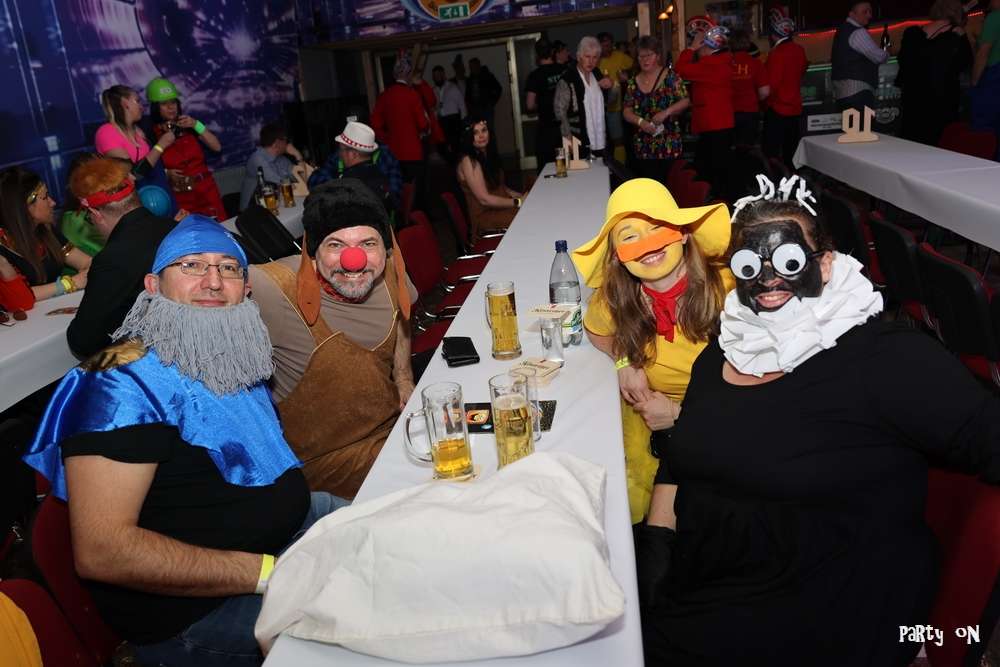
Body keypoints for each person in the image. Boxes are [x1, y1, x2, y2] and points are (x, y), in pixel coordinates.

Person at [637, 173, 1000, 666]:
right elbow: (680, 457)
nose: (768, 281)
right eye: (750, 265)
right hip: (706, 577)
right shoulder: (727, 348)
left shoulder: (886, 359)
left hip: (824, 601)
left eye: (788, 261)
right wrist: (656, 547)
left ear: (825, 265)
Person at [23, 214, 346, 666]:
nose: (213, 281)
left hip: (285, 539)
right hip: (199, 613)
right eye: (191, 265)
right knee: (371, 615)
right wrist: (269, 573)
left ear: (246, 289)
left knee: (401, 535)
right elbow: (103, 552)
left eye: (228, 268)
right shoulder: (117, 386)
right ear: (153, 285)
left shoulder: (237, 354)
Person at [571, 178, 732, 524]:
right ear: (618, 256)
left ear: (683, 233)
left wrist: (678, 415)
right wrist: (624, 360)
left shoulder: (729, 290)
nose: (648, 245)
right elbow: (595, 329)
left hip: (725, 424)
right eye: (630, 237)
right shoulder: (616, 298)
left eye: (658, 228)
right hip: (653, 424)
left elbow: (762, 399)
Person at [249, 179, 416, 498]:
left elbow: (403, 318)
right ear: (313, 252)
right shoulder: (272, 288)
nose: (354, 259)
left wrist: (404, 377)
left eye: (368, 243)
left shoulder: (390, 269)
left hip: (389, 431)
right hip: (324, 464)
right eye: (336, 245)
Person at [66, 156, 175, 358]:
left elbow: (83, 342)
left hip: (156, 360)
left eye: (89, 219)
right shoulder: (175, 229)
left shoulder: (112, 258)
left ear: (95, 214)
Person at [0, 167, 91, 310]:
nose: (53, 202)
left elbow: (86, 262)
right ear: (25, 207)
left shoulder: (44, 230)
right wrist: (69, 283)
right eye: (45, 197)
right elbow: (20, 296)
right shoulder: (3, 246)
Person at [147, 77, 227, 220]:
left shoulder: (189, 124)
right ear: (155, 107)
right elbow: (147, 167)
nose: (171, 107)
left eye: (173, 102)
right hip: (181, 196)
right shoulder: (151, 133)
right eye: (164, 104)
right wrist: (165, 173)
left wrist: (196, 125)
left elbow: (217, 147)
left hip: (206, 189)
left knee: (221, 227)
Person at [897, 0, 972, 146]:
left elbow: (904, 62)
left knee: (913, 142)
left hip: (913, 96)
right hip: (941, 98)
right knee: (941, 143)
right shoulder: (955, 34)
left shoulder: (913, 33)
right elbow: (965, 61)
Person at [95, 85, 177, 216]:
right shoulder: (107, 133)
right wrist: (161, 145)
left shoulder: (139, 131)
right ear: (125, 103)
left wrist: (167, 173)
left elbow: (151, 165)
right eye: (137, 101)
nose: (141, 106)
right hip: (137, 209)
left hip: (163, 202)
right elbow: (133, 175)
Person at [676, 26, 735, 197]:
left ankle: (715, 200)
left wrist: (690, 48)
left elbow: (680, 69)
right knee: (717, 166)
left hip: (712, 123)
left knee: (710, 169)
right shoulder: (725, 60)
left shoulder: (710, 64)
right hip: (722, 121)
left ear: (708, 47)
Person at [622, 37, 690, 183]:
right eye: (641, 56)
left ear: (658, 56)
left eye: (649, 55)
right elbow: (626, 111)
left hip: (669, 143)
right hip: (644, 146)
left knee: (670, 186)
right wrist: (641, 122)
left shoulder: (671, 77)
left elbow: (685, 101)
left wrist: (666, 112)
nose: (644, 60)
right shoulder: (633, 82)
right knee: (649, 187)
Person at [307, 121, 398, 222]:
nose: (339, 154)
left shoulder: (347, 185)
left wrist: (335, 185)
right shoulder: (380, 174)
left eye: (341, 150)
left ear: (353, 154)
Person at [456, 117, 525, 237]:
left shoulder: (487, 155)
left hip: (499, 209)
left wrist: (522, 197)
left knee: (533, 210)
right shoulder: (469, 161)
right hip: (485, 218)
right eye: (475, 133)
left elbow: (502, 189)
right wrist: (518, 202)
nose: (481, 136)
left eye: (484, 130)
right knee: (527, 218)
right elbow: (484, 199)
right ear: (468, 137)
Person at [371, 56, 430, 185]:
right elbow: (423, 124)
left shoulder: (384, 96)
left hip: (393, 153)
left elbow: (375, 125)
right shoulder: (412, 94)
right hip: (413, 152)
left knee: (399, 188)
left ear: (394, 75)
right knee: (416, 190)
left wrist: (387, 139)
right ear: (408, 75)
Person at [762, 7, 809, 167]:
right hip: (795, 107)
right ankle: (793, 178)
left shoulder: (776, 53)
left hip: (777, 108)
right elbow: (802, 71)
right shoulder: (799, 50)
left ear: (773, 35)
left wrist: (764, 103)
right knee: (792, 151)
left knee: (772, 153)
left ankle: (776, 180)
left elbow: (772, 85)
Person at [554, 36, 612, 157]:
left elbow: (610, 102)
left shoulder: (597, 74)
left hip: (601, 138)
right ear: (579, 56)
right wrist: (567, 136)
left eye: (595, 57)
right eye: (587, 56)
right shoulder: (568, 78)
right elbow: (559, 111)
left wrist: (611, 88)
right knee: (581, 168)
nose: (591, 61)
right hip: (577, 138)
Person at [831, 1, 889, 114]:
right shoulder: (858, 32)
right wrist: (887, 53)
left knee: (851, 126)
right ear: (852, 14)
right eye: (865, 12)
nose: (869, 15)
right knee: (863, 125)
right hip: (858, 92)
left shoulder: (842, 31)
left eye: (870, 11)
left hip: (842, 94)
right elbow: (878, 56)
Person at [239, 122, 302, 211]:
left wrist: (298, 155)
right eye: (286, 140)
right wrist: (296, 185)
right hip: (252, 211)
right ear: (277, 143)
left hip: (277, 204)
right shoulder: (257, 159)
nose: (288, 144)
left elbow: (301, 179)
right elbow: (281, 184)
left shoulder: (281, 159)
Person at [525, 39, 567, 167]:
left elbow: (529, 105)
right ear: (553, 52)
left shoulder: (534, 76)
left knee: (547, 167)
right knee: (566, 165)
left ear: (537, 55)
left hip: (546, 130)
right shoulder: (564, 70)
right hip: (566, 127)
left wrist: (543, 104)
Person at [598, 32, 636, 163]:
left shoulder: (619, 56)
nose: (607, 49)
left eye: (609, 45)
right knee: (602, 142)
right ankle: (605, 168)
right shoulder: (595, 60)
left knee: (619, 139)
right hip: (600, 107)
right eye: (604, 46)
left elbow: (635, 66)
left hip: (618, 105)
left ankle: (621, 168)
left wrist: (627, 74)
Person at [729, 30, 769, 148]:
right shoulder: (756, 63)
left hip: (728, 113)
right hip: (750, 111)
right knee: (747, 147)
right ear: (747, 44)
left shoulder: (723, 64)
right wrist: (755, 100)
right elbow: (765, 92)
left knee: (731, 148)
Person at [970, 0, 1000, 154]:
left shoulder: (995, 17)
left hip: (994, 78)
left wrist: (975, 82)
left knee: (984, 131)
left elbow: (983, 53)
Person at [432, 64, 467, 157]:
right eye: (435, 76)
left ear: (443, 74)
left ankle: (457, 162)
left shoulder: (453, 87)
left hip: (453, 121)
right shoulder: (433, 90)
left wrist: (464, 122)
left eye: (438, 75)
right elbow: (433, 108)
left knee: (455, 146)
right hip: (441, 121)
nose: (437, 78)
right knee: (441, 147)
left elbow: (462, 105)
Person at [465, 57, 503, 127]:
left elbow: (498, 89)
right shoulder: (470, 80)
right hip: (474, 110)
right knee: (477, 129)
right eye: (470, 67)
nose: (472, 68)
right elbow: (467, 95)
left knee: (488, 129)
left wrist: (491, 103)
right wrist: (469, 107)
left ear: (478, 65)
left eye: (473, 66)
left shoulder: (487, 76)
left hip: (486, 109)